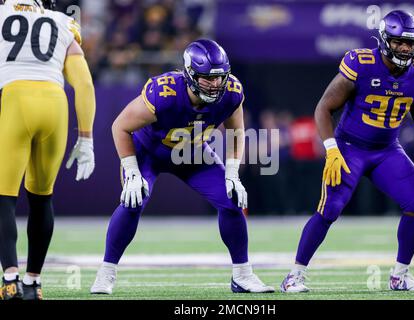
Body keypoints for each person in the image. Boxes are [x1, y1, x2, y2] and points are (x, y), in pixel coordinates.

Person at [90, 39, 274, 294]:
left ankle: (242, 275)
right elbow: (119, 126)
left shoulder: (231, 92)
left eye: (220, 78)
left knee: (231, 200)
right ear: (189, 75)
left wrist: (232, 174)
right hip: (149, 152)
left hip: (193, 154)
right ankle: (106, 272)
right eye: (207, 78)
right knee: (133, 201)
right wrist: (132, 171)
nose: (216, 84)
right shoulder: (164, 93)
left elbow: (236, 132)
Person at [281, 10, 414, 293]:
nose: (406, 48)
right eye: (398, 42)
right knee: (329, 208)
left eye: (411, 43)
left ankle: (400, 275)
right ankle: (294, 275)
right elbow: (324, 108)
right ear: (383, 40)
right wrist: (331, 150)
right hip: (349, 148)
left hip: (387, 150)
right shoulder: (362, 63)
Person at [0, 0, 96, 300]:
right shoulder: (62, 21)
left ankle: (10, 278)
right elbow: (84, 85)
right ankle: (34, 282)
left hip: (14, 98)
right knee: (42, 198)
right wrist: (86, 138)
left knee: (4, 197)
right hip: (55, 103)